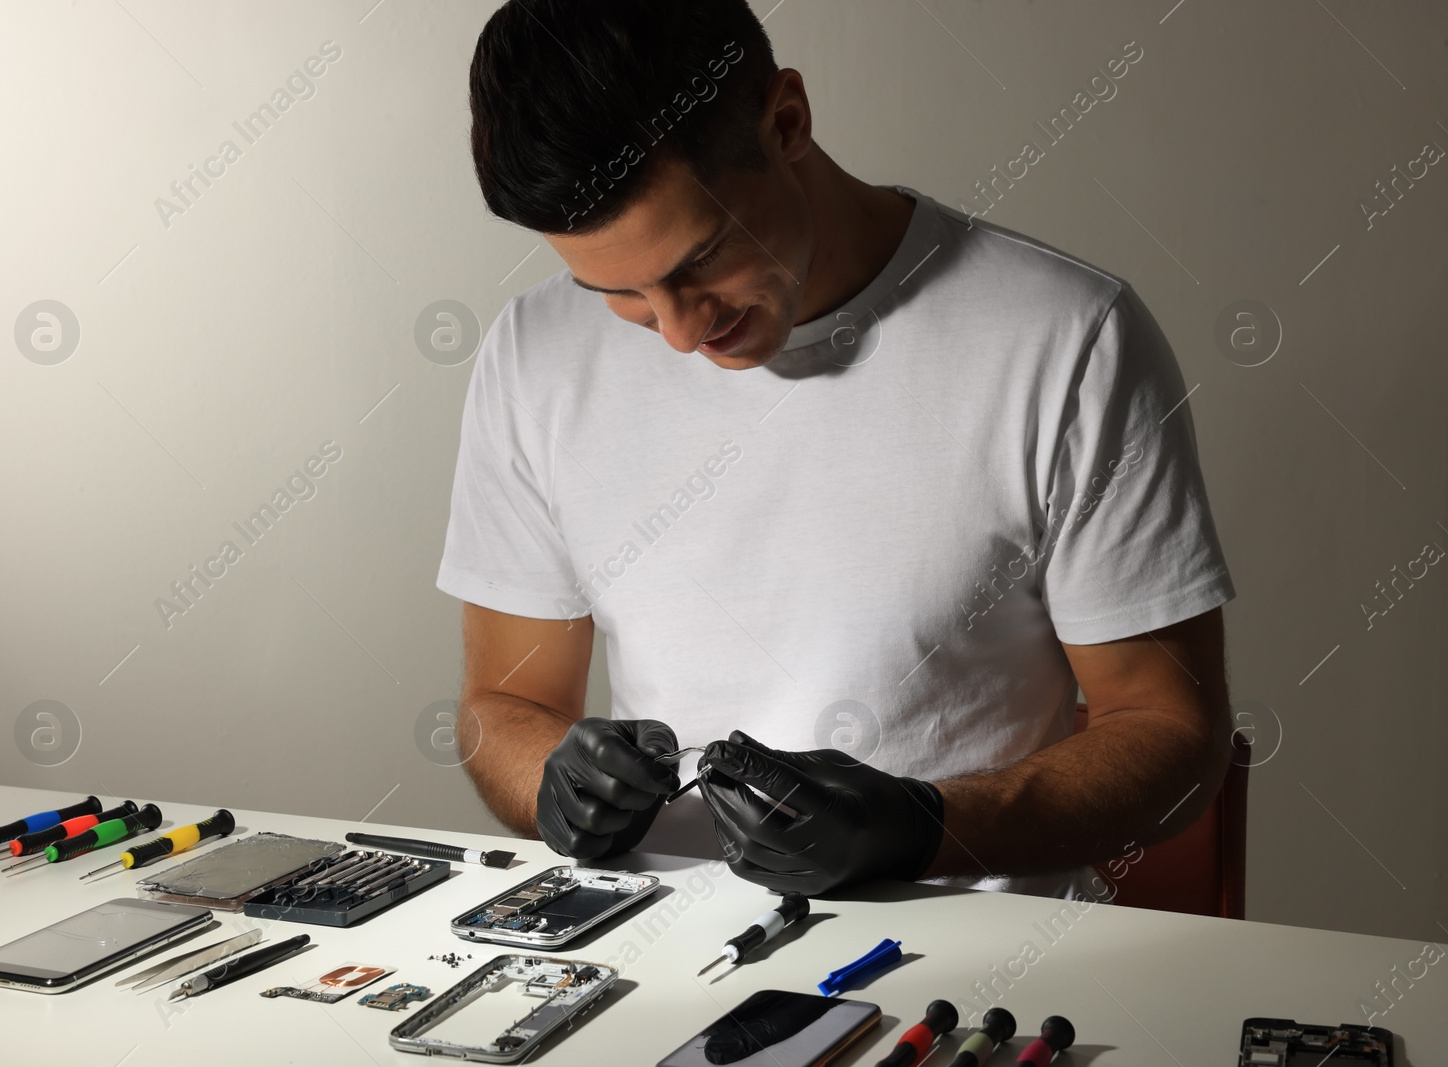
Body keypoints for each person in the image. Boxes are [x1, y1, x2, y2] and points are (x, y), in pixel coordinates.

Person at [436, 0, 1234, 900]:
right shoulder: (533, 352)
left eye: (700, 260)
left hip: (965, 983)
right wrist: (552, 777)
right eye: (616, 291)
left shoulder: (1065, 338)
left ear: (787, 123)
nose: (676, 331)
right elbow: (506, 707)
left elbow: (1173, 732)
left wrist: (927, 826)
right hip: (647, 966)